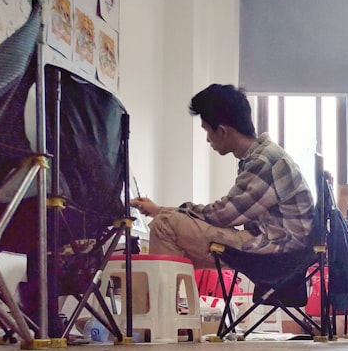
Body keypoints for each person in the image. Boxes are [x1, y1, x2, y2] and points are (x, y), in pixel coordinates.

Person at [130, 84, 316, 269]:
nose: (207, 139)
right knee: (176, 233)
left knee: (165, 226)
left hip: (279, 253)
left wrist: (162, 211)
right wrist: (160, 209)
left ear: (222, 131)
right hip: (284, 248)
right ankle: (172, 297)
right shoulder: (264, 156)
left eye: (206, 131)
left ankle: (160, 299)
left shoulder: (264, 161)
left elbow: (221, 215)